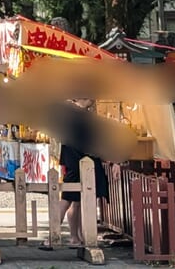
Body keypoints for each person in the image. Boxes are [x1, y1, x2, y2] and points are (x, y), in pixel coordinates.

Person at [58, 99, 109, 247]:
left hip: (73, 161)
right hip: (80, 162)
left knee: (75, 202)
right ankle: (52, 235)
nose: (92, 102)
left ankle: (76, 237)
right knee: (67, 200)